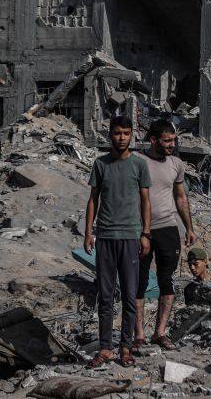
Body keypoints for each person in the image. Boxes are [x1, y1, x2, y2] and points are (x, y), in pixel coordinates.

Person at [83, 116, 152, 369]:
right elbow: (93, 199)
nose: (121, 137)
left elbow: (146, 201)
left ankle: (125, 346)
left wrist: (146, 234)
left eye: (125, 133)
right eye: (117, 133)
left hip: (131, 236)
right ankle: (105, 347)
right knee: (105, 295)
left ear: (132, 134)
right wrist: (88, 232)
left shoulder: (139, 165)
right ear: (109, 135)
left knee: (130, 296)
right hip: (105, 237)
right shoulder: (101, 164)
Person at [133, 119, 196, 352]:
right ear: (153, 140)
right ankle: (138, 335)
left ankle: (160, 333)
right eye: (167, 140)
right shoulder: (137, 161)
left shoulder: (176, 164)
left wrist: (188, 227)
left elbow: (180, 197)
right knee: (138, 281)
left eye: (174, 140)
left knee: (166, 280)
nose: (172, 144)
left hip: (168, 228)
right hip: (141, 231)